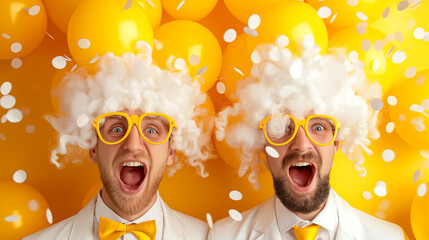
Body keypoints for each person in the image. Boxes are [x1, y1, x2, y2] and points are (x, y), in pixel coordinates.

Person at [210, 44, 406, 240]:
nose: (302, 145)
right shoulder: (222, 236)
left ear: (335, 142)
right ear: (264, 146)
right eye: (283, 127)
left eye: (318, 127)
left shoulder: (390, 237)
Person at [24, 49, 211, 240]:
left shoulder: (208, 237)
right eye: (116, 129)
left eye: (152, 130)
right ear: (93, 147)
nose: (133, 145)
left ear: (171, 151)